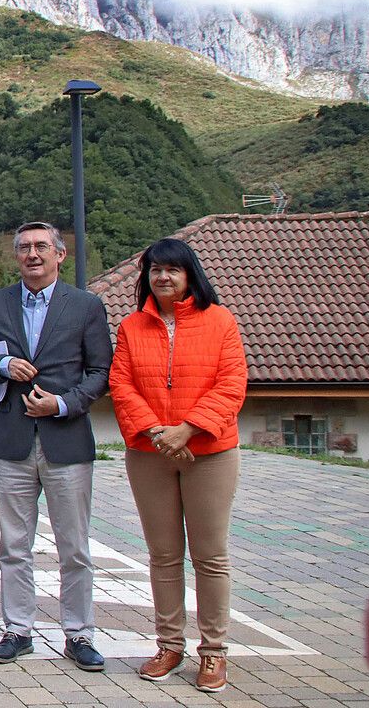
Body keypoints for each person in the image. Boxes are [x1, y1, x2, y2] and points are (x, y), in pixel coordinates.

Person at [110, 237, 247, 694]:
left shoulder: (220, 321)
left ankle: (214, 652)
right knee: (164, 555)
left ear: (190, 274)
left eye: (172, 269)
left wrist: (187, 430)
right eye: (154, 270)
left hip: (209, 452)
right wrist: (156, 433)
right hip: (150, 454)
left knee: (210, 556)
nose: (162, 277)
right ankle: (169, 645)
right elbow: (122, 384)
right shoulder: (132, 326)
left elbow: (231, 384)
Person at [0, 222, 113, 671]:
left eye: (41, 247)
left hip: (66, 439)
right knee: (14, 544)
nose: (32, 254)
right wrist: (2, 364)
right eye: (24, 248)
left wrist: (62, 404)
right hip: (12, 440)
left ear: (60, 255)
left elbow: (100, 372)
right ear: (16, 256)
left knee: (74, 546)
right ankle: (18, 630)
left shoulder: (87, 306)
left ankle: (80, 634)